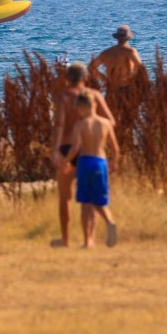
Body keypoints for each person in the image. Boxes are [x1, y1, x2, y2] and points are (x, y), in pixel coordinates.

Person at [50, 62, 115, 248]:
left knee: (65, 197)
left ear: (67, 78)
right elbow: (111, 121)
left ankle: (65, 239)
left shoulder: (62, 97)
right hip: (88, 151)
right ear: (85, 77)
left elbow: (59, 126)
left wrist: (55, 150)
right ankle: (90, 239)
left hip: (66, 148)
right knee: (89, 196)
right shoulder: (94, 95)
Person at [62, 91, 120, 248]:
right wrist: (114, 162)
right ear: (94, 105)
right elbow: (115, 148)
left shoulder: (80, 125)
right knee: (99, 199)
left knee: (85, 203)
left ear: (81, 107)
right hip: (100, 162)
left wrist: (66, 162)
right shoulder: (106, 123)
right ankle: (109, 221)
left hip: (85, 162)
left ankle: (88, 241)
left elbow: (75, 147)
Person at [88, 25, 143, 91]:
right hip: (127, 87)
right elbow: (140, 68)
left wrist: (104, 79)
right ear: (129, 37)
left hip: (111, 87)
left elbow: (91, 67)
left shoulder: (106, 53)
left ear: (117, 37)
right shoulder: (130, 52)